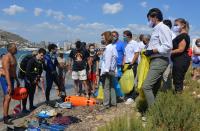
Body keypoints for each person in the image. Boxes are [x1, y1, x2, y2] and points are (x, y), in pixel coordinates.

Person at [143, 8, 172, 107]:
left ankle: (153, 112)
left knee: (146, 86)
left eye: (149, 19)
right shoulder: (156, 29)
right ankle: (156, 109)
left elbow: (168, 45)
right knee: (154, 87)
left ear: (154, 17)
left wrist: (152, 51)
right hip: (155, 60)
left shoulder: (162, 27)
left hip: (159, 60)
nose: (148, 22)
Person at [0, 42, 20, 124]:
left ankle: (6, 114)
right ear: (10, 49)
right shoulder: (6, 57)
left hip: (11, 78)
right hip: (5, 78)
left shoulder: (13, 57)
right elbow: (7, 71)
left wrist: (17, 80)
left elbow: (13, 71)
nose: (16, 49)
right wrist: (9, 85)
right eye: (15, 48)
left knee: (7, 97)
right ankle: (5, 118)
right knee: (8, 97)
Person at [22, 48, 46, 113]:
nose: (42, 57)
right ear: (38, 53)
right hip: (28, 79)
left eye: (43, 55)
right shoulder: (31, 60)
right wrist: (33, 79)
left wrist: (38, 78)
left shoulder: (40, 61)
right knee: (26, 94)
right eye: (41, 55)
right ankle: (24, 108)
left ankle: (31, 106)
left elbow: (40, 71)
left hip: (34, 80)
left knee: (32, 93)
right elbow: (27, 72)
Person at [171, 18, 191, 93]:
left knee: (178, 81)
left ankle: (178, 99)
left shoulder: (183, 36)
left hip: (181, 60)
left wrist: (169, 52)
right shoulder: (181, 35)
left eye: (176, 25)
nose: (174, 26)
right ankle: (178, 95)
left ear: (183, 25)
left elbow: (181, 49)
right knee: (177, 80)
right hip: (179, 60)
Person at [100, 31, 117, 109]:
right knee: (112, 86)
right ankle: (113, 102)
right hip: (112, 70)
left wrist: (106, 71)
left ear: (106, 38)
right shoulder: (113, 47)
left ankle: (106, 104)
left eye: (103, 37)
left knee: (106, 87)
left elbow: (108, 60)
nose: (102, 39)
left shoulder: (109, 48)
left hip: (108, 70)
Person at [123, 30, 140, 104]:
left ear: (129, 36)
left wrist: (131, 63)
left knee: (132, 80)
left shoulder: (134, 43)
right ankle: (127, 94)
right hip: (126, 64)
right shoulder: (126, 44)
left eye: (124, 36)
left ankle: (132, 97)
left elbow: (136, 53)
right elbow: (125, 55)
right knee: (127, 80)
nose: (123, 37)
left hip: (132, 64)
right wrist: (123, 63)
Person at [161, 19, 175, 91]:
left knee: (165, 75)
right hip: (163, 58)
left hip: (169, 59)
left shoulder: (172, 35)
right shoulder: (163, 34)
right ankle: (168, 89)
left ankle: (165, 91)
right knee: (167, 75)